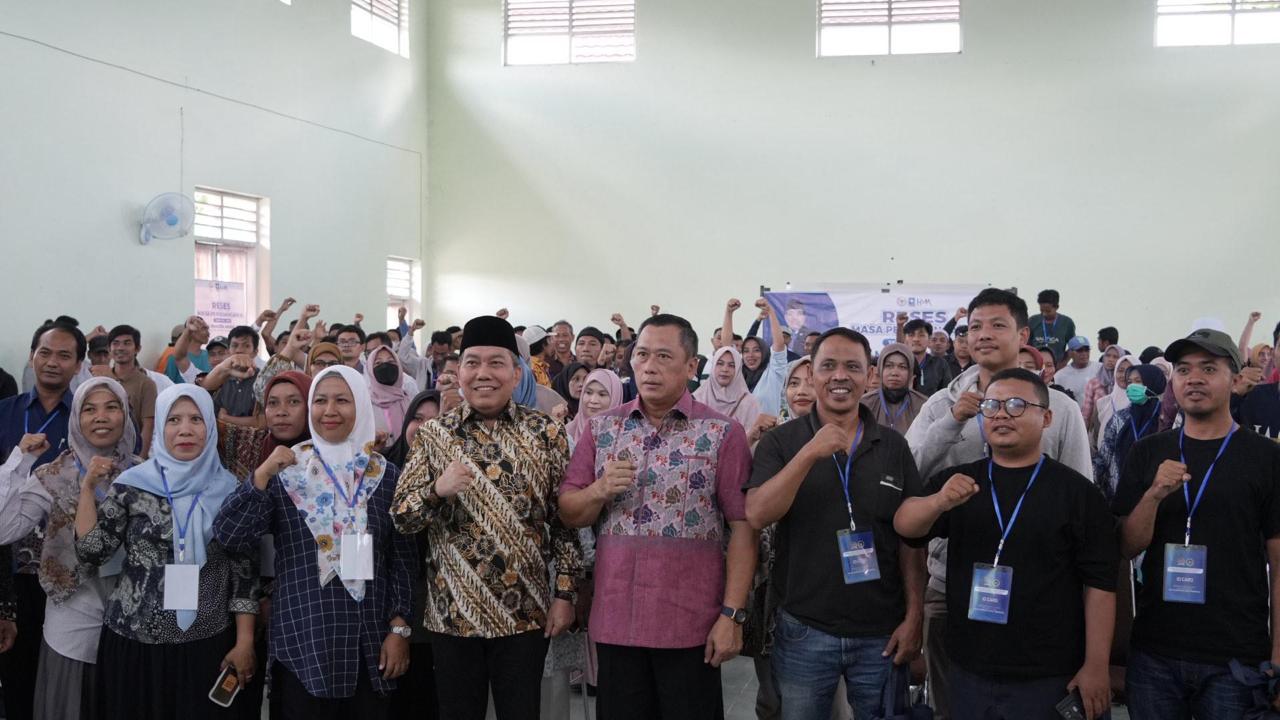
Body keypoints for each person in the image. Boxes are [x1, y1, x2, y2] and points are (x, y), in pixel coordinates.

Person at [904, 289, 1092, 720]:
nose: (983, 335)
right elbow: (910, 478)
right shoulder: (942, 404)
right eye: (974, 327)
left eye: (996, 325)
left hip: (1040, 590)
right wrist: (953, 424)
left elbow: (1081, 496)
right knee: (952, 706)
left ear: (1023, 333)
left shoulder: (1058, 409)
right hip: (949, 582)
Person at [559, 313, 756, 720]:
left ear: (691, 366)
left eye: (664, 356)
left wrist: (732, 615)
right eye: (642, 355)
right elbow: (569, 511)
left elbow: (742, 528)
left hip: (691, 625)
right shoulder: (603, 429)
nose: (649, 366)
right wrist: (598, 489)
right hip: (617, 620)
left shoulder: (723, 433)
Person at [391, 315, 582, 720]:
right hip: (452, 615)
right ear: (458, 373)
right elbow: (402, 518)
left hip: (524, 614)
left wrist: (565, 595)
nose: (483, 374)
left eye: (496, 363)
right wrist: (435, 491)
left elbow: (565, 521)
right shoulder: (434, 435)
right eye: (472, 363)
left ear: (516, 373)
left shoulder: (545, 433)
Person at [214, 365, 416, 718]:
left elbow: (402, 558)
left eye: (342, 400)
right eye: (320, 401)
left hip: (370, 644)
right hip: (302, 636)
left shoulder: (386, 477)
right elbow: (231, 535)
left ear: (362, 406)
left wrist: (400, 628)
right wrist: (261, 475)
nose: (330, 411)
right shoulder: (290, 472)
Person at [745, 328, 925, 720]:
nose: (840, 376)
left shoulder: (893, 446)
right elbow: (758, 513)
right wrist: (809, 453)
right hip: (804, 629)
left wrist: (914, 618)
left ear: (869, 375)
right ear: (811, 375)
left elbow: (912, 541)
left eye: (852, 367)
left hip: (881, 633)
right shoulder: (783, 442)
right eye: (828, 366)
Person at [1113, 329, 1280, 719]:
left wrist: (1278, 657)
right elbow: (1126, 547)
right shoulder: (1148, 452)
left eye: (1209, 368)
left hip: (1236, 658)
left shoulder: (1266, 458)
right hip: (1155, 652)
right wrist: (1154, 493)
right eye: (1184, 369)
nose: (1195, 378)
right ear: (1173, 381)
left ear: (1236, 380)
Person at [74, 385, 257, 718]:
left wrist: (245, 641)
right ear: (159, 427)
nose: (184, 429)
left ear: (211, 428)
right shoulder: (132, 484)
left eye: (195, 419)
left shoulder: (231, 490)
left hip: (207, 642)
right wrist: (87, 490)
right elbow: (91, 552)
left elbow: (244, 573)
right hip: (134, 642)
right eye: (173, 419)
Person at [0, 377, 139, 719]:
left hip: (134, 620)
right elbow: (5, 529)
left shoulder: (143, 473)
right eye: (89, 409)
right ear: (76, 418)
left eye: (111, 407)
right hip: (73, 617)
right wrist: (19, 462)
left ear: (126, 415)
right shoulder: (56, 472)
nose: (101, 417)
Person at [0, 319, 85, 720]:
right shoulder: (5, 412)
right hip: (9, 567)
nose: (53, 362)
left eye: (64, 355)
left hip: (69, 568)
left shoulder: (88, 417)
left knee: (62, 675)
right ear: (32, 356)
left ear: (78, 363)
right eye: (45, 353)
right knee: (15, 671)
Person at [383, 390, 441, 720]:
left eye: (434, 420)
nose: (423, 427)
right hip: (398, 610)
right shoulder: (386, 470)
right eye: (417, 419)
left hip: (443, 613)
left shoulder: (460, 472)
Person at [1093, 364, 1165, 500]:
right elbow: (1104, 455)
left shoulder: (1166, 418)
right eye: (1130, 382)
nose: (1132, 387)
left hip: (1156, 496)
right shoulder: (1120, 417)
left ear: (1153, 382)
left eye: (1138, 381)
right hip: (1118, 493)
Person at [105, 325, 158, 457]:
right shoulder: (101, 381)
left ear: (137, 349)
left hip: (131, 453)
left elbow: (148, 425)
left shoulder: (147, 384)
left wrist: (140, 459)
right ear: (109, 349)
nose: (120, 348)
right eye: (115, 343)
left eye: (127, 343)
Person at [694, 346, 765, 442]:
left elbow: (752, 441)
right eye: (720, 363)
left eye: (731, 365)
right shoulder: (698, 398)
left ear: (738, 370)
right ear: (713, 366)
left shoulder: (749, 403)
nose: (725, 369)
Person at [861, 342, 930, 434]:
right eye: (889, 366)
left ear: (910, 373)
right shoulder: (863, 404)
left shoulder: (924, 405)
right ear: (881, 370)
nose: (894, 373)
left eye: (902, 367)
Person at [201, 326, 262, 419]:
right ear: (228, 351)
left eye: (246, 346)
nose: (239, 350)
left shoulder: (263, 379)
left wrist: (225, 418)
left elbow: (262, 422)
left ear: (255, 352)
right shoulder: (220, 377)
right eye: (235, 345)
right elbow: (203, 388)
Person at [366, 346, 412, 444]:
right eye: (378, 363)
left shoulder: (409, 400)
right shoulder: (364, 403)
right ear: (370, 369)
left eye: (391, 362)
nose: (385, 366)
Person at [1093, 353, 1139, 450]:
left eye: (1129, 371)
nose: (1124, 375)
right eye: (1120, 370)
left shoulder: (1141, 403)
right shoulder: (1102, 403)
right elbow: (1095, 436)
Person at [1079, 345, 1126, 430]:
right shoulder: (1094, 383)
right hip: (1097, 429)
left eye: (1115, 357)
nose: (1110, 359)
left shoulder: (1124, 383)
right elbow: (1086, 414)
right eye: (1108, 355)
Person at [903, 319, 953, 397]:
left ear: (929, 339)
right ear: (905, 340)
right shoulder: (899, 363)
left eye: (921, 335)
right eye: (911, 335)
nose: (916, 339)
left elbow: (947, 393)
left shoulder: (940, 364)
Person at [1027, 290, 1076, 365]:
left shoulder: (1067, 323)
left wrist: (1063, 363)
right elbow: (1026, 345)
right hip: (1036, 365)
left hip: (1057, 366)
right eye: (1041, 311)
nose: (1044, 314)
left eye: (1048, 311)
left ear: (1057, 307)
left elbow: (1073, 347)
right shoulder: (1032, 321)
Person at [167, 315, 213, 384]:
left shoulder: (210, 355)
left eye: (207, 329)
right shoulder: (174, 358)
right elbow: (169, 384)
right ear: (192, 332)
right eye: (204, 329)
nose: (208, 333)